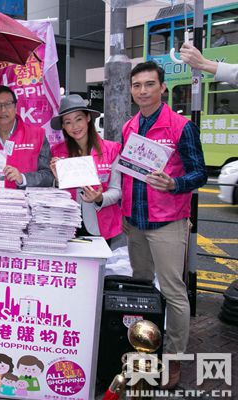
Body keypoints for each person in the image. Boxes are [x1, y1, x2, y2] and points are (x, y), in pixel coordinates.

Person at [122, 61, 207, 389]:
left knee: (173, 292)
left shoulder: (181, 127)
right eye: (137, 85)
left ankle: (173, 358)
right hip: (135, 221)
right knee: (142, 288)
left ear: (162, 88)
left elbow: (200, 172)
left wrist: (174, 184)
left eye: (149, 84)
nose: (142, 91)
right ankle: (144, 346)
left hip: (168, 221)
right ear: (131, 90)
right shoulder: (130, 127)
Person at [50, 94, 122, 242]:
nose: (75, 126)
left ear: (88, 118)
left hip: (100, 225)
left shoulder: (111, 150)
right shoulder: (57, 152)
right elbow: (52, 196)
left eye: (79, 119)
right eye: (68, 122)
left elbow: (117, 190)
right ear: (63, 126)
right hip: (66, 224)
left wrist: (100, 198)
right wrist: (57, 181)